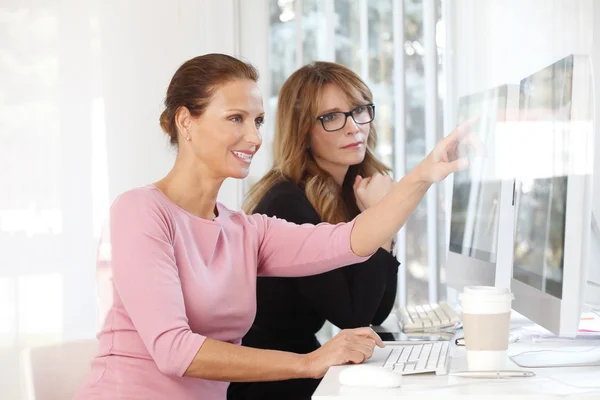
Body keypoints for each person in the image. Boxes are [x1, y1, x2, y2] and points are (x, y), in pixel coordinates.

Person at [74, 53, 476, 400]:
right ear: (186, 121)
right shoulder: (140, 211)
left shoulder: (244, 230)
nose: (254, 137)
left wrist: (423, 174)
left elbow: (351, 240)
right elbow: (175, 350)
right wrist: (311, 362)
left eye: (258, 120)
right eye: (236, 118)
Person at [228, 61, 400, 400]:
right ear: (303, 131)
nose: (354, 128)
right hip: (270, 382)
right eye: (332, 117)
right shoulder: (286, 201)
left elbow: (376, 314)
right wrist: (382, 218)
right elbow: (353, 317)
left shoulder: (352, 191)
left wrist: (382, 225)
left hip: (305, 365)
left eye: (359, 111)